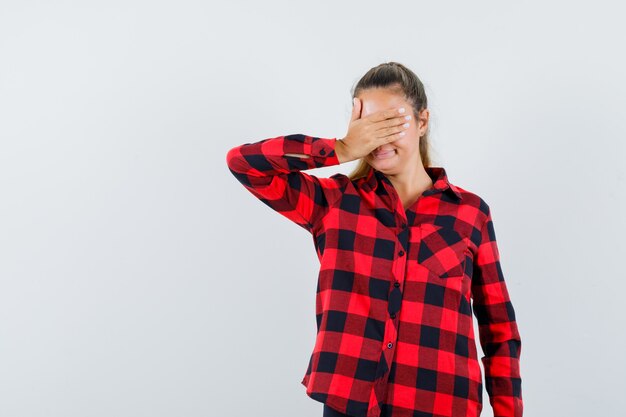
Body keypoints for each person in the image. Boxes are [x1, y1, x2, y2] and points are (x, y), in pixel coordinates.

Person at [225, 62, 523, 417]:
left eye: (391, 124)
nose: (377, 139)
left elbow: (499, 330)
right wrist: (340, 148)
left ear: (422, 122)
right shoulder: (333, 202)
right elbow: (244, 164)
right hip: (349, 404)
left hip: (441, 404)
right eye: (366, 126)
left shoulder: (470, 213)